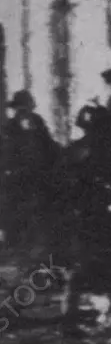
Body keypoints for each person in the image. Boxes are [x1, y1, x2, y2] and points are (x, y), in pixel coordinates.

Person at [57, 104, 111, 328]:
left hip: (109, 213)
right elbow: (63, 184)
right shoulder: (76, 151)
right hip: (85, 215)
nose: (96, 132)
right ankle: (70, 313)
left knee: (110, 261)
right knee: (80, 264)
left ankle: (110, 308)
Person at [0, 90, 60, 253]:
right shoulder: (10, 129)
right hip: (17, 178)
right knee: (16, 209)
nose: (24, 112)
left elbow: (49, 145)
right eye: (20, 109)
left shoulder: (38, 122)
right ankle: (16, 244)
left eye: (26, 108)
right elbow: (6, 154)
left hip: (39, 176)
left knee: (42, 207)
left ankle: (39, 244)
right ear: (16, 109)